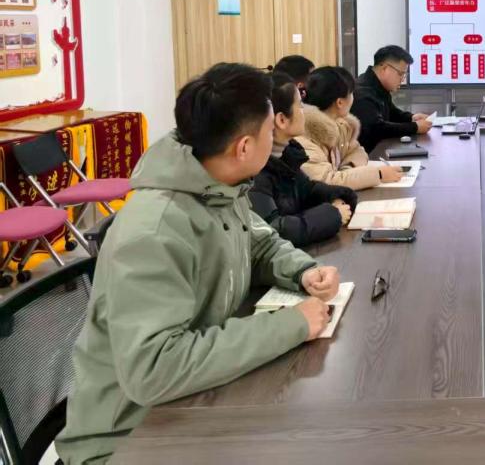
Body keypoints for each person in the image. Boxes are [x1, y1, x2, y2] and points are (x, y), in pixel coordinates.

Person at [57, 63, 341, 465]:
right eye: (268, 130)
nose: (275, 137)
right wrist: (291, 325)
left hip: (193, 402)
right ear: (244, 147)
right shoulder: (154, 232)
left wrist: (303, 271)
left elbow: (258, 243)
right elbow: (154, 368)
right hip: (127, 438)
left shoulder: (219, 185)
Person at [250, 72, 361, 246]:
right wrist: (333, 214)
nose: (306, 112)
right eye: (300, 105)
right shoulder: (255, 169)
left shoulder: (288, 153)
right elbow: (272, 231)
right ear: (281, 120)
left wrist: (337, 196)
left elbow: (307, 190)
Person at [296, 66, 403, 189]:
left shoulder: (341, 126)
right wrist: (378, 174)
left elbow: (358, 152)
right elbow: (326, 182)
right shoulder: (303, 138)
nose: (354, 97)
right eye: (352, 93)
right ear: (340, 102)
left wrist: (347, 172)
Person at [351, 45, 432, 152]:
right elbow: (376, 128)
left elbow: (392, 112)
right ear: (385, 68)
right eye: (400, 74)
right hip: (365, 156)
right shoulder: (362, 92)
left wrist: (412, 118)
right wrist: (415, 127)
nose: (402, 80)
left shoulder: (378, 86)